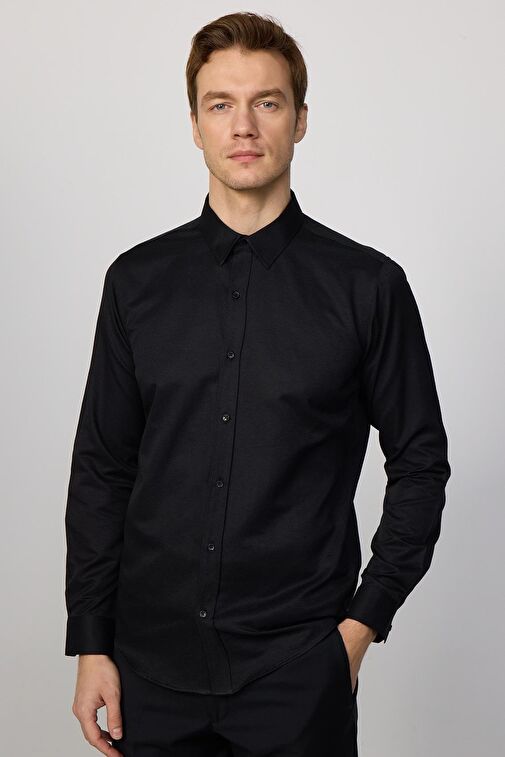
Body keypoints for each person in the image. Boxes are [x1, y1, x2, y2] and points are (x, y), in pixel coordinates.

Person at [64, 11, 451, 757]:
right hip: (148, 670)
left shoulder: (368, 287)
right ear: (195, 124)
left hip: (297, 672)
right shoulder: (135, 283)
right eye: (221, 104)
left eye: (266, 102)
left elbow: (421, 463)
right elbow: (103, 470)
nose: (243, 125)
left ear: (300, 120)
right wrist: (91, 640)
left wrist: (359, 627)